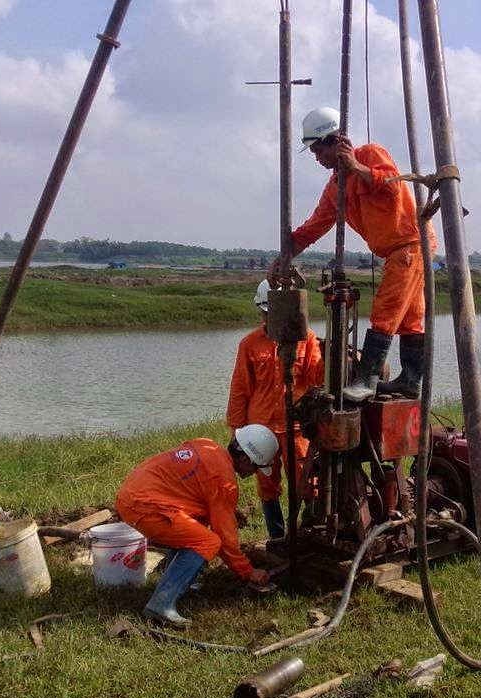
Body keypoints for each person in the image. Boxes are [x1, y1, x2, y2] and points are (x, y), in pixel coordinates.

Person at [272, 106, 436, 402]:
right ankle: (410, 382)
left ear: (335, 141)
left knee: (385, 312)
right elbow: (313, 227)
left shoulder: (371, 154)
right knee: (411, 318)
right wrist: (285, 256)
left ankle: (367, 380)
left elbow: (393, 188)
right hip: (395, 251)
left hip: (410, 243)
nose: (318, 159)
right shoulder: (335, 188)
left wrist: (357, 168)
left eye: (319, 151)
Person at [115, 425, 280, 627]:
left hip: (133, 493)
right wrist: (248, 571)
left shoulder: (208, 445)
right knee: (208, 542)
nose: (254, 473)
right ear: (246, 459)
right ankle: (161, 604)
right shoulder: (224, 481)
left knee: (197, 525)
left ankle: (180, 579)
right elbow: (225, 540)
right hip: (145, 506)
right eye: (256, 467)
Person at [227, 279, 323, 539]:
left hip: (297, 428)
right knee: (267, 485)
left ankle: (308, 532)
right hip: (261, 428)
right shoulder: (250, 344)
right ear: (263, 311)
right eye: (268, 313)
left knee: (307, 482)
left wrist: (332, 354)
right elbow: (240, 389)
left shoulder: (308, 339)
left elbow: (317, 378)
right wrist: (237, 431)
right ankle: (278, 537)